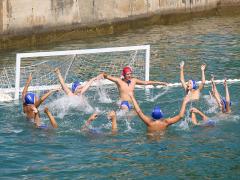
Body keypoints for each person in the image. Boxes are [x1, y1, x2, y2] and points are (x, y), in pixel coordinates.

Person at [101, 66, 168, 110]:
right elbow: (107, 76)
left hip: (132, 104)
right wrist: (102, 75)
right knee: (126, 114)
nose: (129, 75)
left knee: (136, 116)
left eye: (130, 73)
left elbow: (146, 82)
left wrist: (160, 83)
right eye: (127, 74)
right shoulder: (119, 81)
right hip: (123, 104)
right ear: (124, 75)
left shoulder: (134, 81)